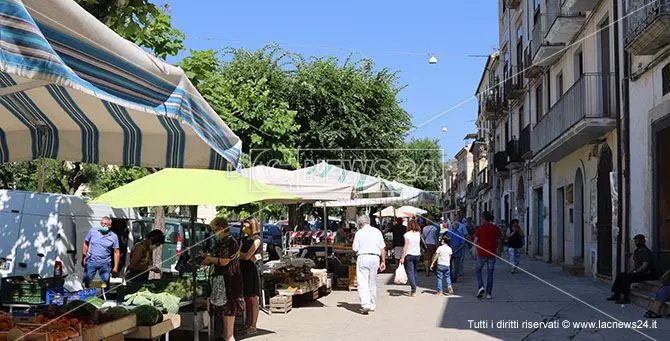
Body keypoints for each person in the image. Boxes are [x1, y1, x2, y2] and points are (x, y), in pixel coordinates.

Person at [201, 217, 244, 341]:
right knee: (225, 310)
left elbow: (225, 261)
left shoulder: (230, 242)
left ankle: (229, 337)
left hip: (229, 280)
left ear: (221, 228)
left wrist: (209, 259)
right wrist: (207, 259)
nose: (213, 233)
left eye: (215, 230)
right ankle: (226, 336)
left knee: (229, 309)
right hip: (223, 279)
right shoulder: (221, 242)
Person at [607, 234, 658, 304]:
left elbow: (644, 266)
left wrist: (634, 271)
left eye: (638, 241)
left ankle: (626, 297)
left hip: (648, 273)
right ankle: (616, 294)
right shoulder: (637, 251)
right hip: (639, 272)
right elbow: (635, 264)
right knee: (620, 275)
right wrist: (630, 271)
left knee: (626, 278)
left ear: (643, 241)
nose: (636, 242)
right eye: (636, 241)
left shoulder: (647, 252)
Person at [352, 216, 386, 314]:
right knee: (372, 282)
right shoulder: (377, 232)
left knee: (362, 281)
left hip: (363, 257)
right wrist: (383, 261)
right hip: (375, 258)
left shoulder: (359, 233)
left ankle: (365, 304)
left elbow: (355, 248)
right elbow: (382, 248)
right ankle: (372, 304)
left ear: (360, 223)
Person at [82, 217, 120, 288]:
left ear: (110, 226)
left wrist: (115, 267)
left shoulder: (113, 237)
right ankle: (85, 296)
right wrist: (84, 257)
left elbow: (116, 252)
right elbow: (85, 243)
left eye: (105, 224)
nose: (103, 225)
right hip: (91, 261)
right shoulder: (93, 231)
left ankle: (105, 297)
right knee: (86, 282)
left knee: (105, 284)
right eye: (102, 223)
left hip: (105, 263)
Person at [239, 217, 262, 335]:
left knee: (253, 299)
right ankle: (247, 323)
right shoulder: (244, 239)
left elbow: (248, 256)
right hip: (242, 268)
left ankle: (253, 325)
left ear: (252, 226)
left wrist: (237, 253)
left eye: (245, 226)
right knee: (246, 298)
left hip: (250, 269)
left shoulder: (257, 239)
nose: (243, 228)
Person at [474, 211, 501, 299]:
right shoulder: (495, 228)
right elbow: (500, 240)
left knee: (478, 270)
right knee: (490, 273)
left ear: (483, 218)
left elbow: (475, 241)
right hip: (492, 254)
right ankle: (489, 293)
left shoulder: (480, 228)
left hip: (482, 254)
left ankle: (481, 287)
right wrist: (499, 251)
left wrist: (476, 247)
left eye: (481, 218)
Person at [400, 220, 422, 297]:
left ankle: (413, 288)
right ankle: (414, 286)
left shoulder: (407, 235)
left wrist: (402, 257)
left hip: (409, 255)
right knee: (415, 271)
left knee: (410, 272)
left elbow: (405, 246)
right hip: (417, 254)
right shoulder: (418, 234)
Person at [448, 218, 467, 282]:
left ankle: (450, 277)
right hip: (457, 252)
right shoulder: (460, 234)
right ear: (458, 227)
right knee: (457, 266)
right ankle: (455, 277)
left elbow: (446, 242)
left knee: (449, 265)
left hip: (450, 252)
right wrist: (457, 249)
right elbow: (462, 244)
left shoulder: (449, 233)